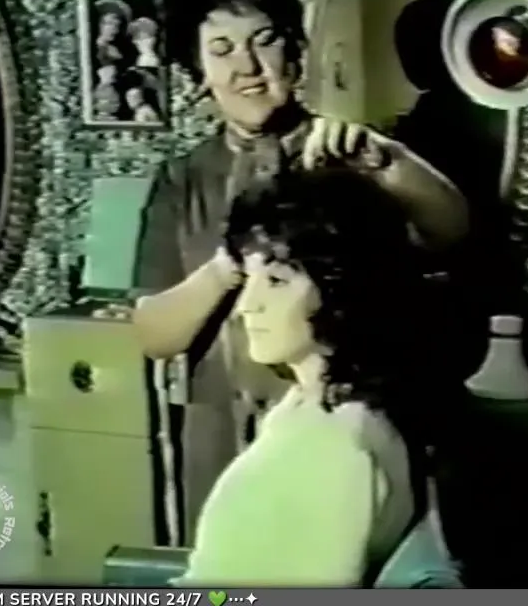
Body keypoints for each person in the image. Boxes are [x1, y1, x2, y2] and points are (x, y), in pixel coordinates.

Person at [130, 0, 469, 537]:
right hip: (220, 444)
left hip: (338, 439)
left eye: (263, 41)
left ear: (294, 51)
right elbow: (154, 335)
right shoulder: (180, 182)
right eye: (221, 50)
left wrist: (386, 162)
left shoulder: (344, 154)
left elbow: (453, 230)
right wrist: (227, 268)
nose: (246, 66)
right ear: (199, 72)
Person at [177, 169, 428, 586]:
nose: (247, 306)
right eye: (250, 279)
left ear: (341, 288)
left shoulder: (334, 451)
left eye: (276, 281)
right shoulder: (312, 405)